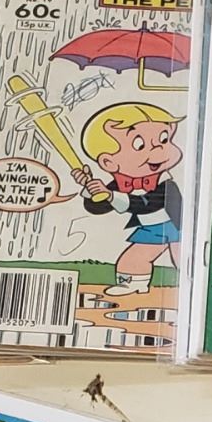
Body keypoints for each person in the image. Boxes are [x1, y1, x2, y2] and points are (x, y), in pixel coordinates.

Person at [71, 102, 184, 297]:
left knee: (184, 260)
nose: (158, 149)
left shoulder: (165, 184)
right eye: (140, 145)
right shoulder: (119, 183)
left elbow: (147, 204)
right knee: (132, 260)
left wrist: (111, 195)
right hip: (152, 229)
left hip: (178, 227)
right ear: (108, 162)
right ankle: (134, 285)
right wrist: (90, 187)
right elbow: (97, 207)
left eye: (164, 139)